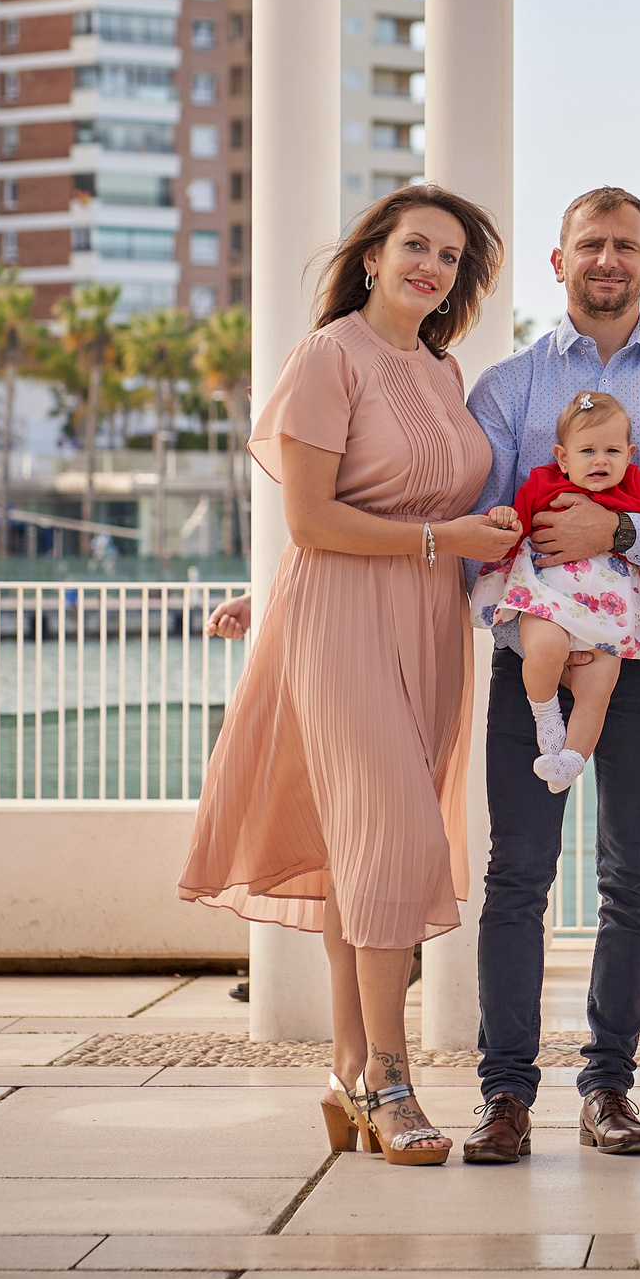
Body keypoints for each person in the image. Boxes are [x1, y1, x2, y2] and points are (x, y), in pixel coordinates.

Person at [180, 183, 518, 1168]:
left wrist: (484, 542)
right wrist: (441, 537)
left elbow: (449, 505)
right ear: (371, 255)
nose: (432, 266)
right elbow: (313, 522)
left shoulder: (442, 370)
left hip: (429, 627)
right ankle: (391, 1080)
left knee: (362, 864)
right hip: (341, 622)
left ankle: (345, 1071)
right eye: (416, 245)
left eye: (451, 257)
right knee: (393, 844)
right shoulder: (329, 358)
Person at [461, 187, 640, 1165]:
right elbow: (483, 531)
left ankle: (608, 1088)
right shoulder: (508, 389)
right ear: (558, 262)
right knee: (516, 875)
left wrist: (616, 531)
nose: (606, 260)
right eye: (590, 245)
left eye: (625, 246)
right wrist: (518, 620)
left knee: (632, 875)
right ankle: (503, 1097)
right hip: (531, 652)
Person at [474, 390, 640, 792]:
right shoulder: (542, 483)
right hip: (550, 603)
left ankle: (570, 760)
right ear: (563, 458)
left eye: (612, 450)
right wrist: (503, 518)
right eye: (588, 450)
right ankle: (545, 715)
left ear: (630, 454)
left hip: (610, 618)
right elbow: (511, 534)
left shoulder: (636, 486)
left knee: (599, 689)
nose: (600, 460)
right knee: (543, 649)